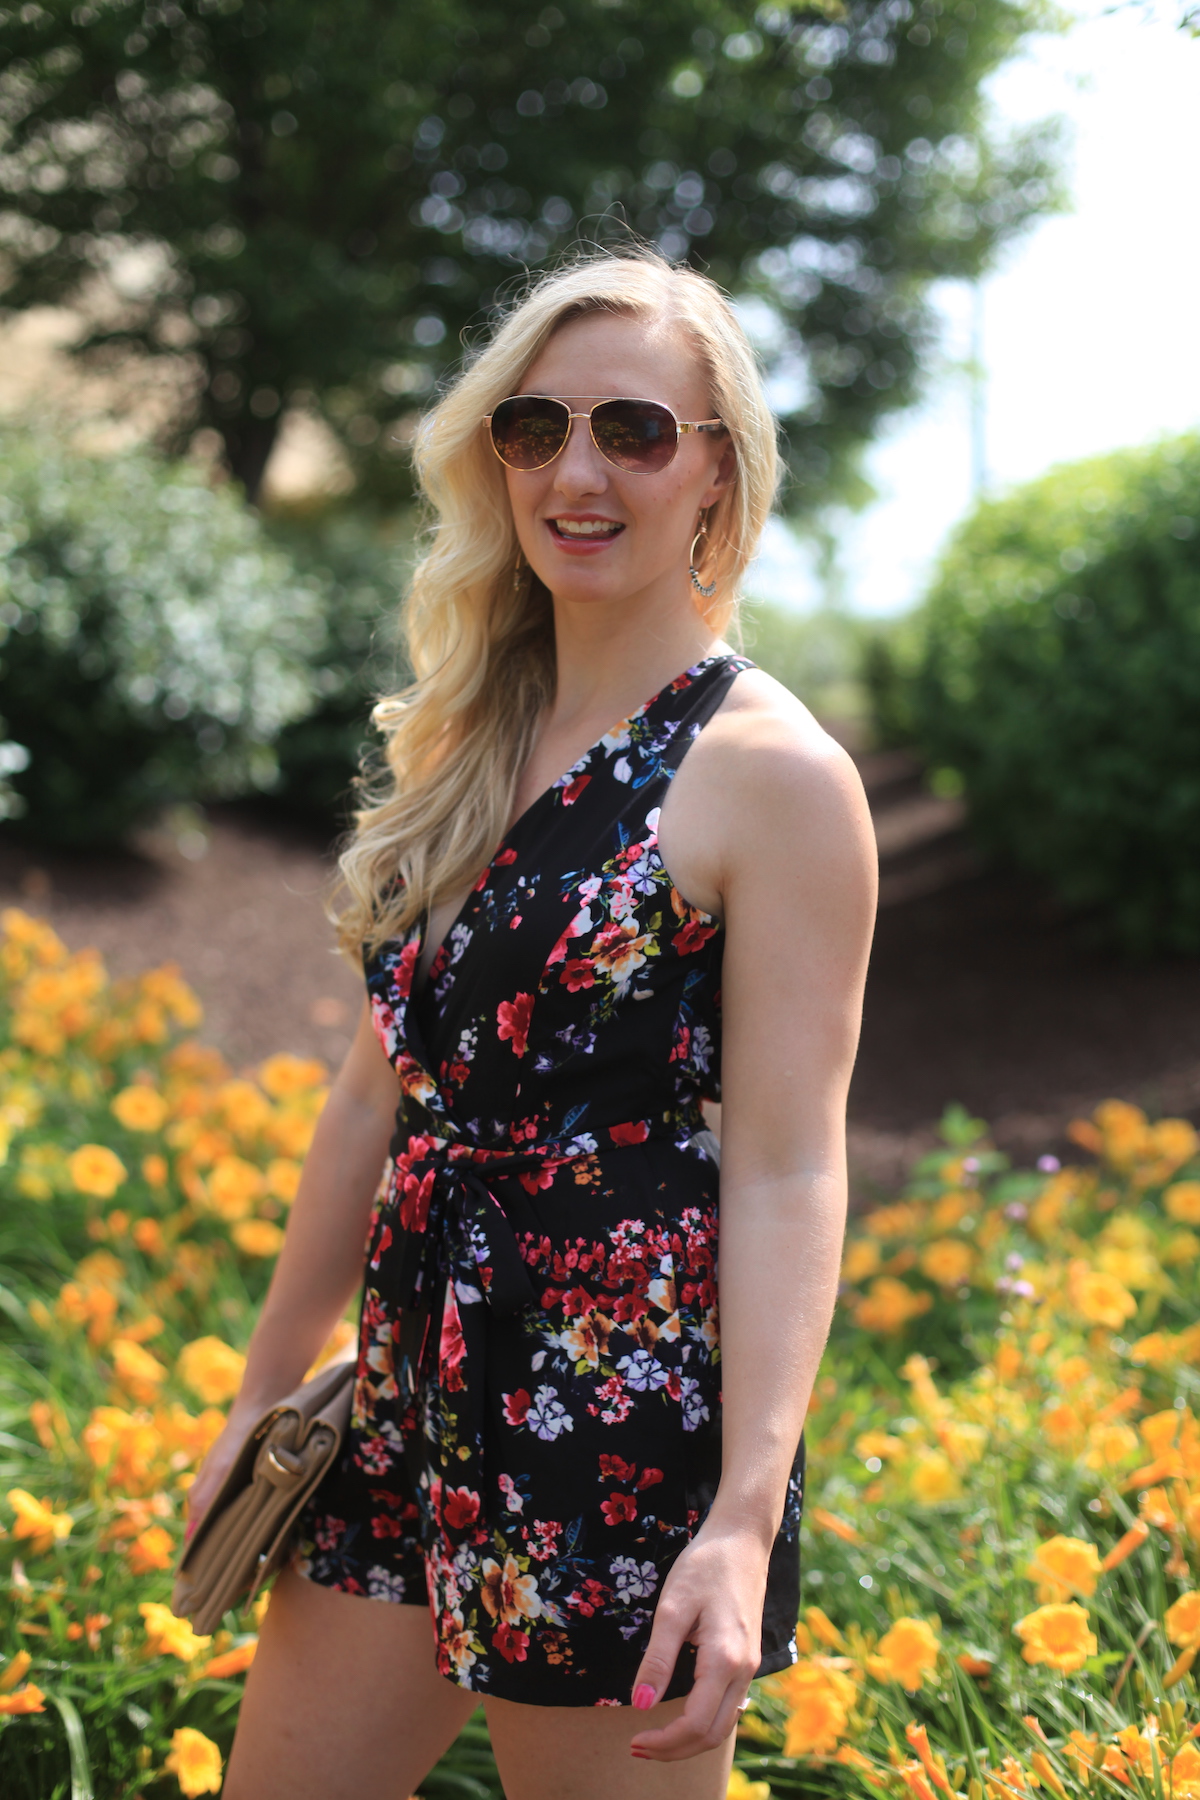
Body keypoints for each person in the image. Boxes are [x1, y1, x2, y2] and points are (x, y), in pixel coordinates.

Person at [188, 249, 876, 1800]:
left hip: (617, 1432)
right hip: (403, 1394)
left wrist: (743, 1520)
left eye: (634, 429)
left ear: (716, 472)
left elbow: (784, 1167)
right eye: (533, 426)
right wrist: (258, 1394)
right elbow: (377, 1102)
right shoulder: (471, 735)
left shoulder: (775, 776)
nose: (577, 470)